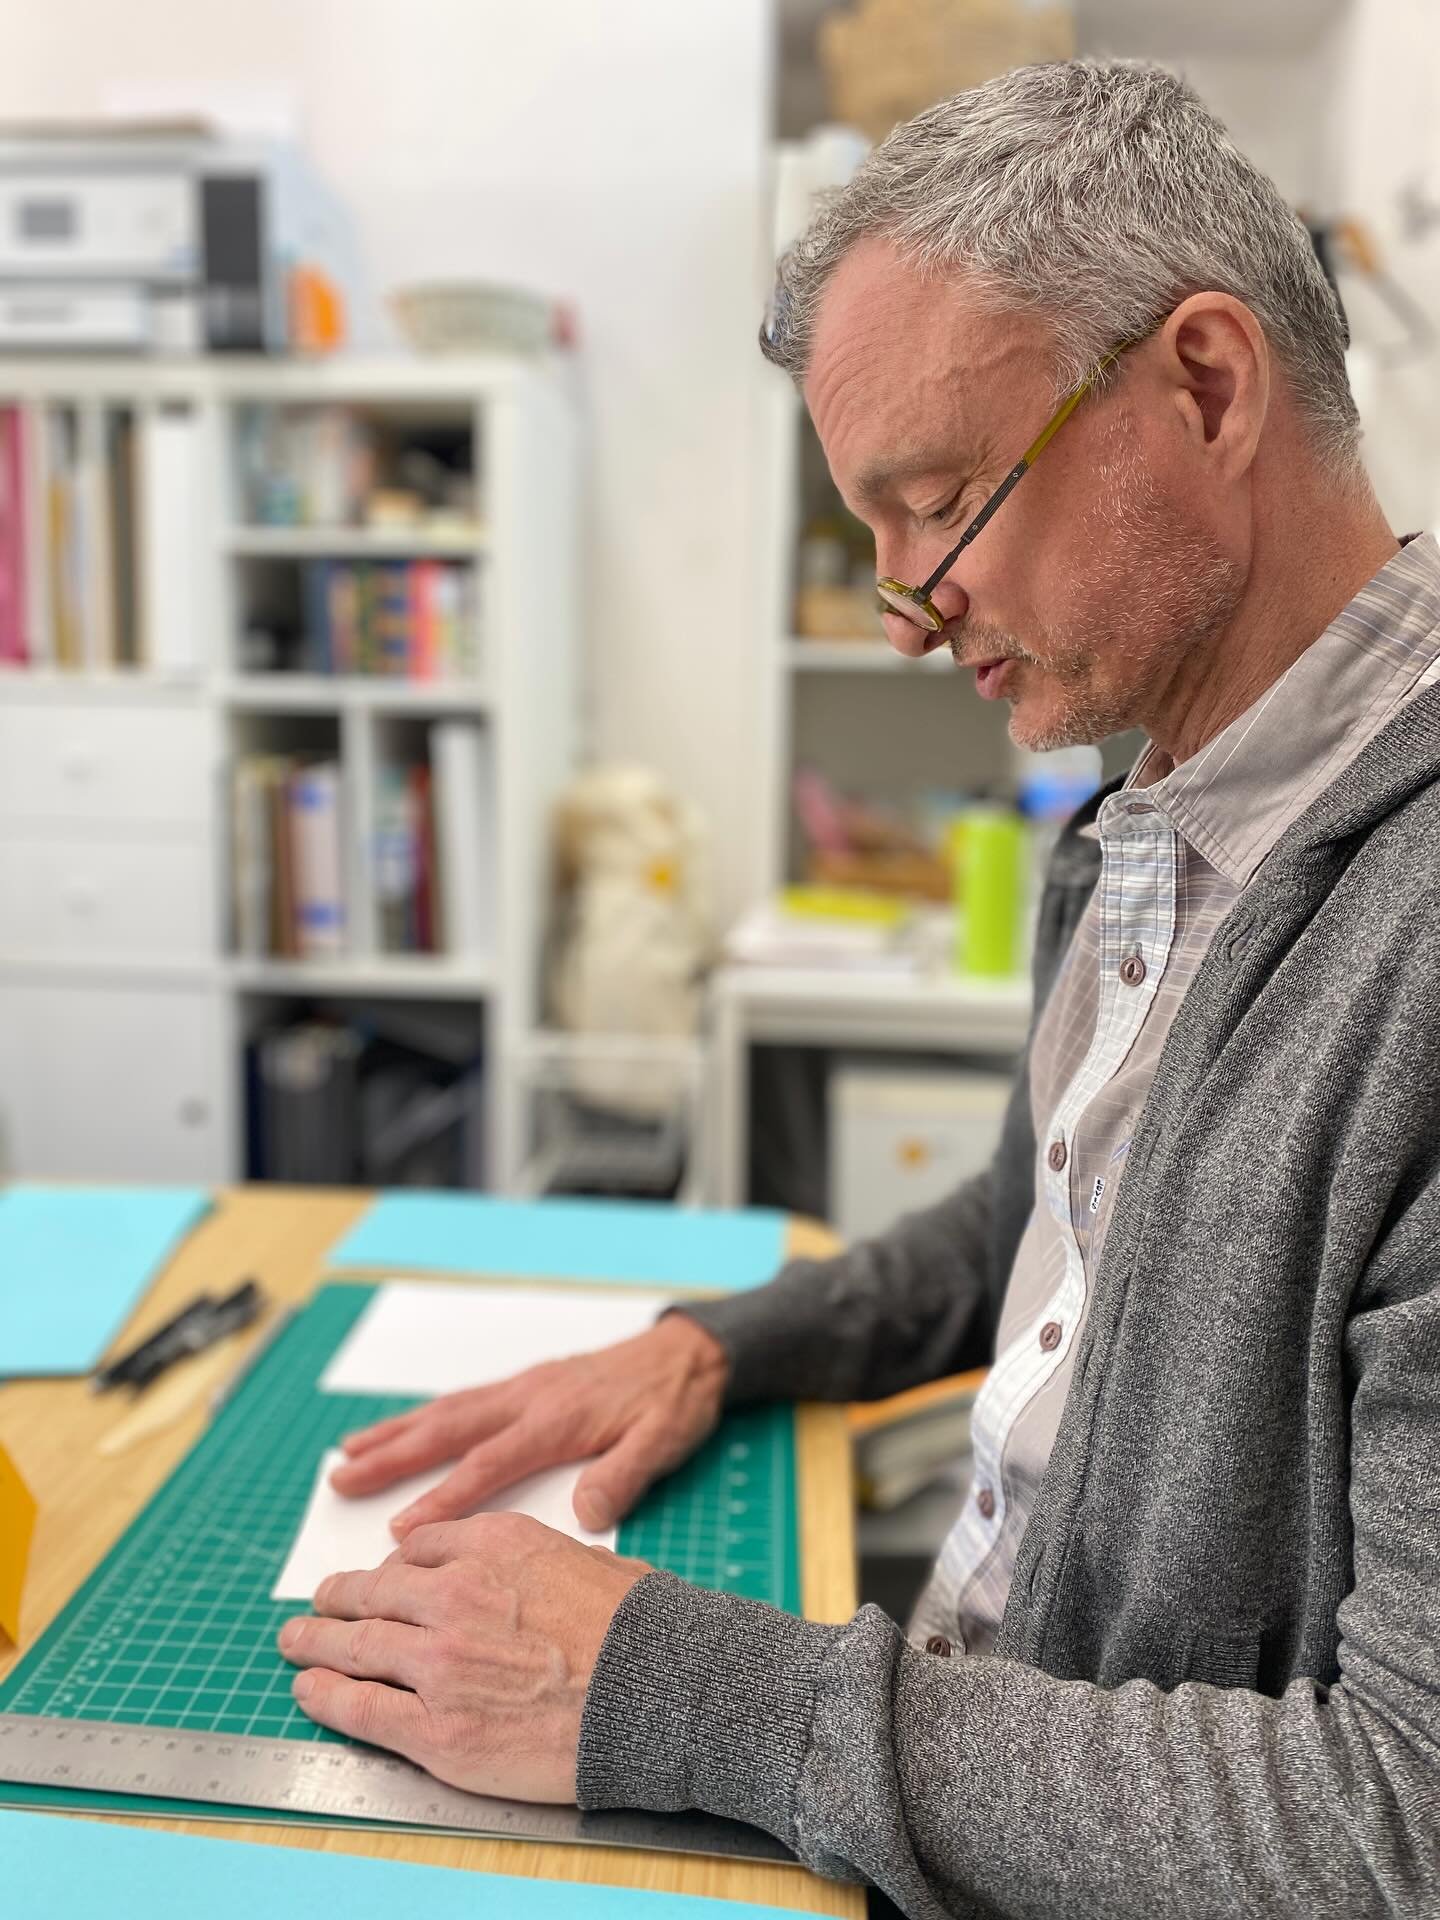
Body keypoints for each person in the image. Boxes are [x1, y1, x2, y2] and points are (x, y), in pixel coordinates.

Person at [275, 60, 1440, 1917]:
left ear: (1210, 386)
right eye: (870, 532)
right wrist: (719, 1347)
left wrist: (685, 1691)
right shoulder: (1143, 823)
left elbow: (1398, 1822)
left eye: (944, 502)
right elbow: (1040, 1225)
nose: (906, 612)